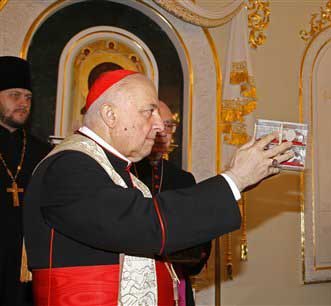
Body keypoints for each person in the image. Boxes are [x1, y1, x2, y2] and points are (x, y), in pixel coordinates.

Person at [24, 70, 294, 306]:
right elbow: (143, 224)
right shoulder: (68, 165)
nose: (158, 126)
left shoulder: (119, 171)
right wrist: (234, 179)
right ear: (110, 115)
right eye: (148, 111)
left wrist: (240, 180)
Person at [134, 101, 210, 306]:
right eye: (157, 124)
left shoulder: (183, 179)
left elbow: (199, 239)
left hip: (176, 276)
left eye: (169, 126)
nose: (163, 133)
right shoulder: (125, 172)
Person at [0, 56, 51, 306]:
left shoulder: (42, 152)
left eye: (28, 97)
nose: (23, 103)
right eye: (14, 95)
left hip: (25, 265)